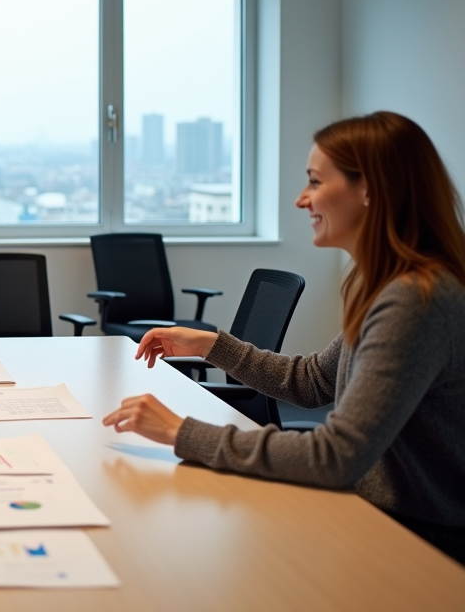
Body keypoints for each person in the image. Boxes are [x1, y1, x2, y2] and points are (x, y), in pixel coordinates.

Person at [102, 111, 465, 564]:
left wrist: (181, 431)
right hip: (380, 518)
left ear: (370, 189)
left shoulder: (414, 300)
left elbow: (338, 456)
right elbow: (313, 382)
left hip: (419, 544)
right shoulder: (390, 287)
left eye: (314, 181)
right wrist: (211, 345)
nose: (301, 199)